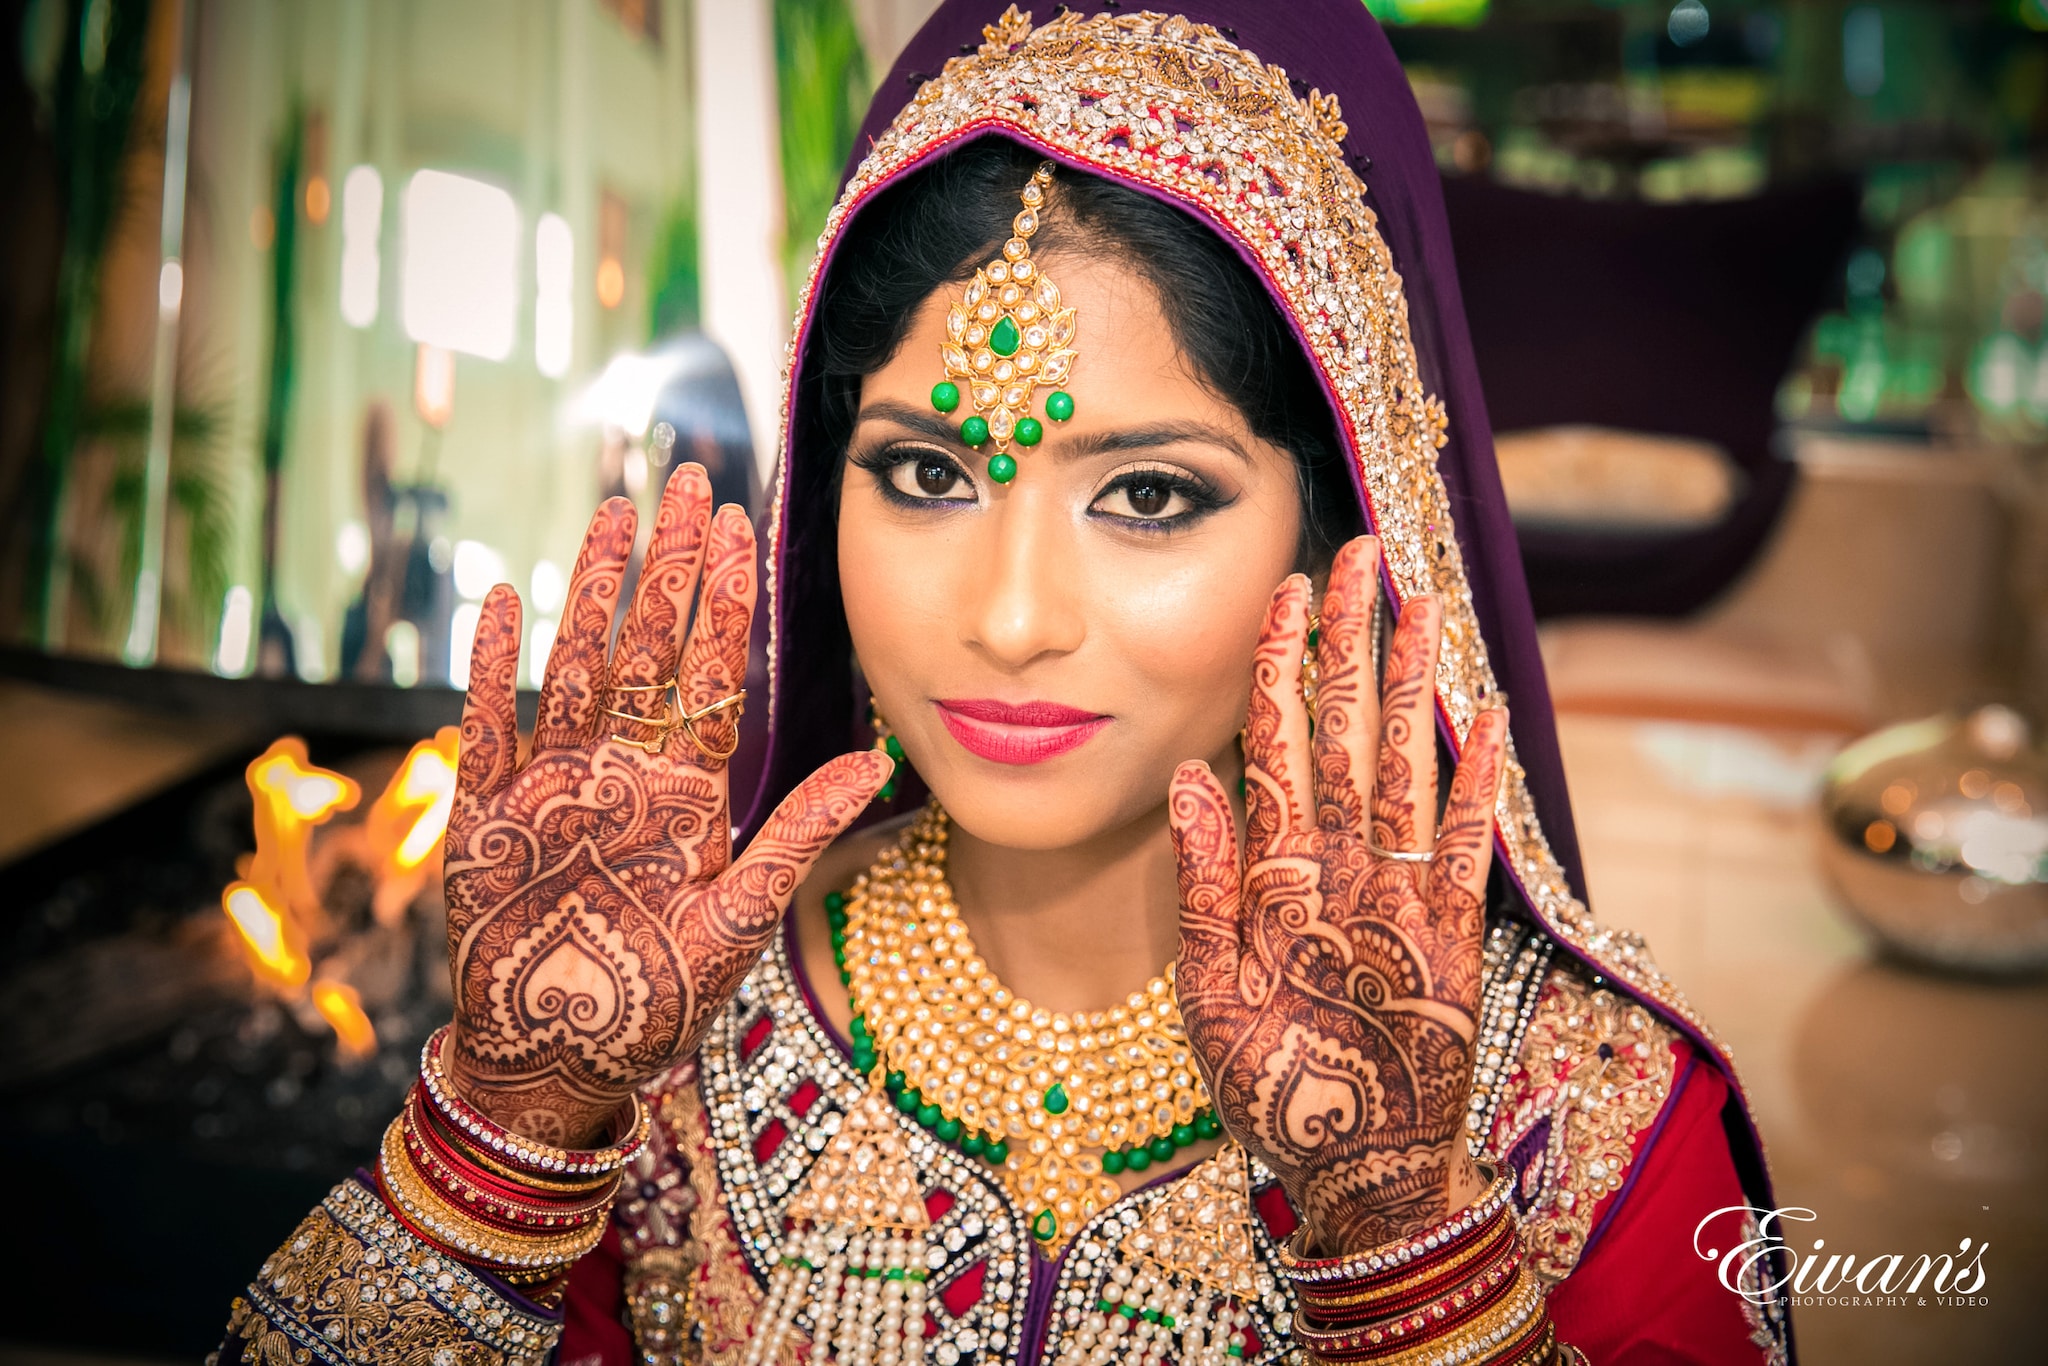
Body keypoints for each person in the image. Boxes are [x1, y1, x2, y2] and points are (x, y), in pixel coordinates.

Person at [214, 6, 1791, 1364]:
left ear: (1342, 524)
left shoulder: (1578, 1121)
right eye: (922, 471)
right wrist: (500, 1131)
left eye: (1152, 495)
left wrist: (1412, 1250)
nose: (1012, 615)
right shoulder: (657, 1038)